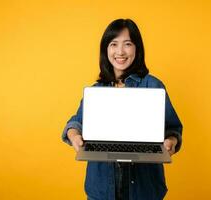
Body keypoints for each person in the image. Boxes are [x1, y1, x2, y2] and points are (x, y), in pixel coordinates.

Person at [62, 18, 183, 200]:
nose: (120, 51)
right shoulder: (97, 91)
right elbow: (76, 122)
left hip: (144, 190)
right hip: (101, 190)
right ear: (106, 49)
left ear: (137, 48)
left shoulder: (153, 85)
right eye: (113, 44)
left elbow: (173, 127)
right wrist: (74, 135)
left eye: (127, 44)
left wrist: (171, 141)